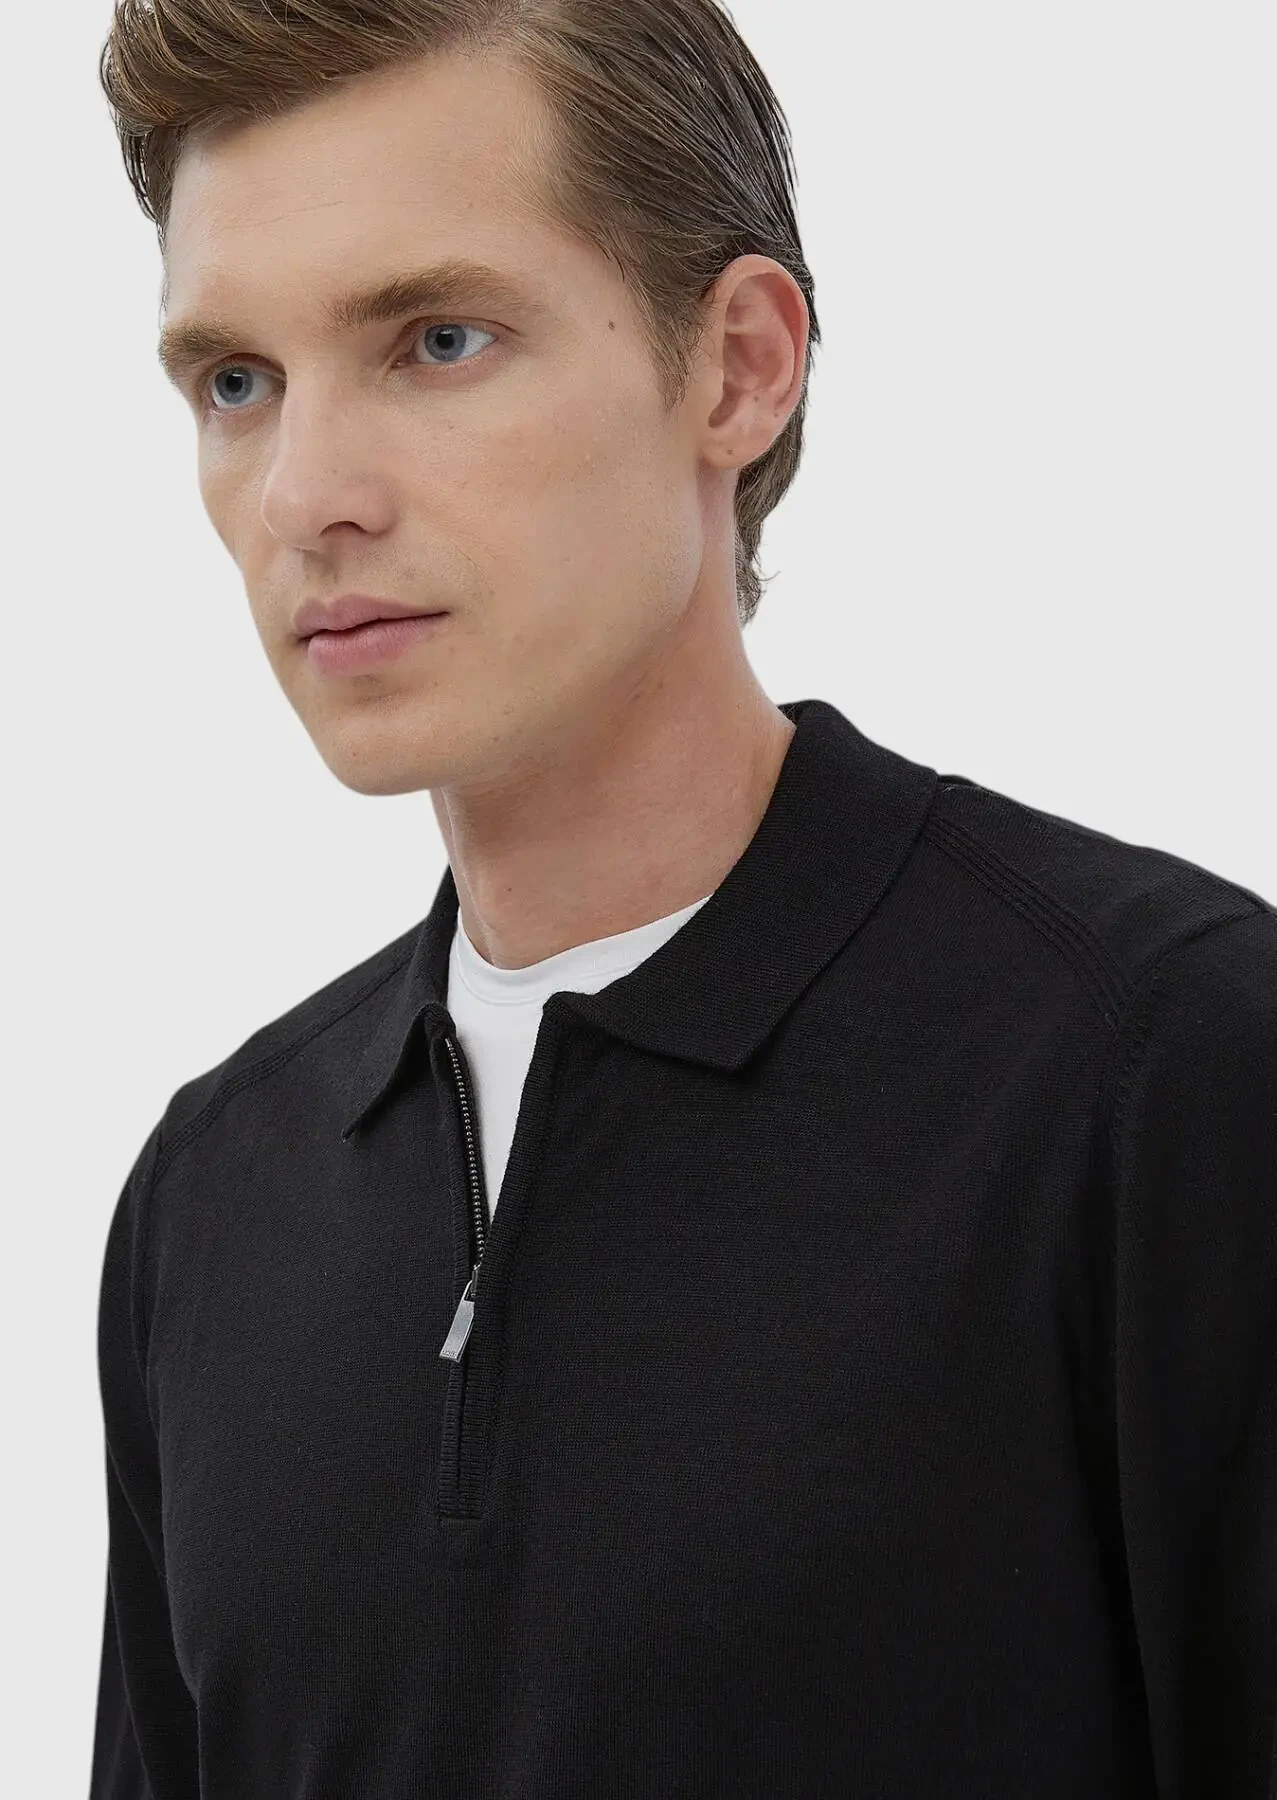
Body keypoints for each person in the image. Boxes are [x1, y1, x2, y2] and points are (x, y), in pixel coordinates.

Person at [90, 4, 1276, 1796]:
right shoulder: (208, 1197)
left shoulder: (1164, 1073)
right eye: (236, 382)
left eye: (436, 340)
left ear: (737, 368)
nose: (305, 498)